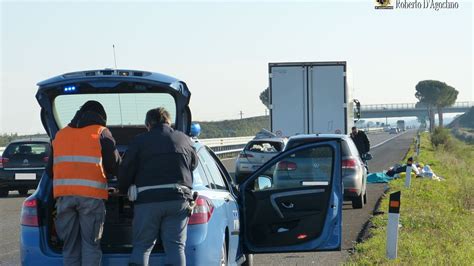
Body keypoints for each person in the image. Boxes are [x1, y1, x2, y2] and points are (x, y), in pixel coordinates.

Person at [119, 107, 197, 266]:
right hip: (178, 199)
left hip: (148, 201)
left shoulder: (139, 141)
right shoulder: (184, 139)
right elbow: (193, 164)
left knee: (142, 246)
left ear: (148, 124)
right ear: (169, 122)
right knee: (176, 247)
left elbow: (126, 169)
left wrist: (123, 189)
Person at [48, 100, 121, 266]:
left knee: (70, 247)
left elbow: (49, 171)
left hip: (64, 199)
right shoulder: (101, 132)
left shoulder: (60, 135)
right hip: (91, 198)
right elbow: (115, 165)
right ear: (101, 116)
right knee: (90, 245)